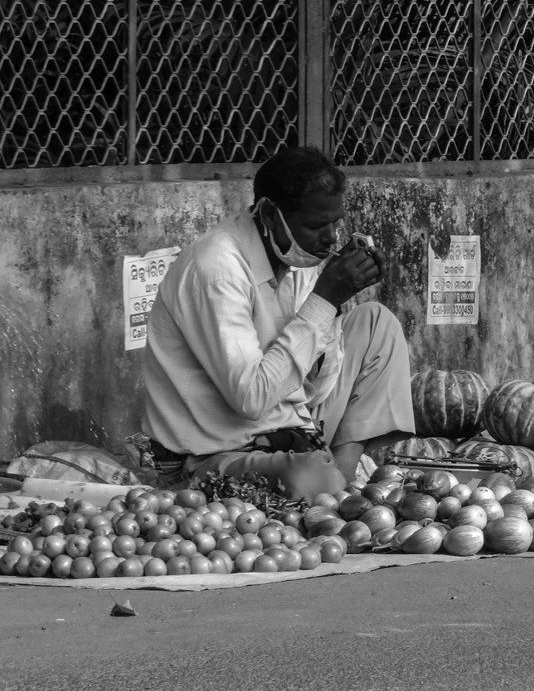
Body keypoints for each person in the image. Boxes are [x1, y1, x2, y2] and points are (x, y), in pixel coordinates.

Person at [142, 146, 415, 500]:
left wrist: (331, 312)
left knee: (377, 323)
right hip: (212, 454)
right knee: (310, 479)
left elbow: (312, 388)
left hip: (289, 429)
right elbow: (252, 397)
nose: (331, 237)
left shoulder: (296, 255)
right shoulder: (216, 269)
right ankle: (330, 484)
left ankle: (341, 475)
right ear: (271, 214)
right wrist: (324, 300)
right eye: (317, 225)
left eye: (335, 222)